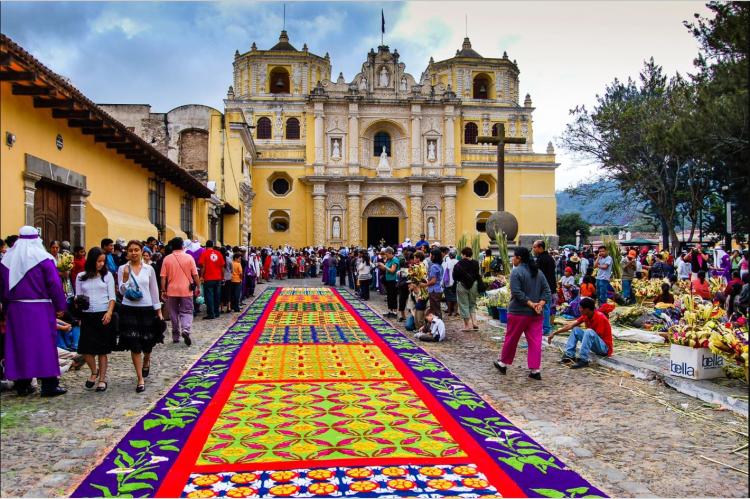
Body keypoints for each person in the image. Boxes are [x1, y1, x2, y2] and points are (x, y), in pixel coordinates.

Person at [0, 226, 68, 397]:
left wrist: (6, 309)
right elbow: (54, 284)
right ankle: (49, 385)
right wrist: (60, 306)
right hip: (39, 309)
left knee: (20, 347)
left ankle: (22, 384)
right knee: (43, 346)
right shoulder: (44, 258)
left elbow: (2, 288)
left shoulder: (7, 260)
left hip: (15, 309)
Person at [495, 247, 551, 380]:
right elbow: (547, 291)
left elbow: (517, 292)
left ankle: (503, 363)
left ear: (519, 258)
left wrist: (531, 304)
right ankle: (535, 370)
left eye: (513, 256)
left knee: (512, 338)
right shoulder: (538, 272)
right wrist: (540, 304)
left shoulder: (517, 272)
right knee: (535, 341)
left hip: (518, 312)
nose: (512, 259)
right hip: (536, 314)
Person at [117, 240, 164, 393]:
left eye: (136, 250)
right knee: (134, 343)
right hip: (129, 309)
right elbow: (122, 292)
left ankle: (147, 358)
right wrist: (124, 279)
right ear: (127, 252)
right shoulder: (122, 269)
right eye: (130, 250)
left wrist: (158, 311)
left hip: (146, 308)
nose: (133, 253)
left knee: (148, 341)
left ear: (141, 251)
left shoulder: (149, 269)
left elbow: (154, 290)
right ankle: (140, 379)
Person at [75, 247, 116, 392]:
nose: (101, 264)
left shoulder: (107, 276)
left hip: (102, 314)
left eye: (103, 261)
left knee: (102, 349)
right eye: (99, 261)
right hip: (87, 314)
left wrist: (109, 312)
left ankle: (102, 379)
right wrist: (78, 307)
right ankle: (94, 371)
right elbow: (78, 296)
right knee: (86, 348)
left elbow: (112, 297)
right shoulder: (81, 276)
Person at [548, 297, 613, 369]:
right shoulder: (586, 315)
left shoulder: (600, 317)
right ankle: (569, 355)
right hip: (596, 344)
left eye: (581, 308)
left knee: (589, 332)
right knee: (575, 329)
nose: (579, 309)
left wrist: (585, 341)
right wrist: (554, 333)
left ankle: (583, 360)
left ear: (587, 309)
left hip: (604, 349)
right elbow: (570, 325)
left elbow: (596, 336)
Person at [160, 237, 199, 345]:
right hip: (186, 290)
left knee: (173, 313)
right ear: (182, 245)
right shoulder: (189, 257)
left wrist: (163, 290)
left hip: (171, 290)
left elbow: (163, 277)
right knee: (186, 311)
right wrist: (198, 286)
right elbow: (195, 274)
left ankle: (175, 335)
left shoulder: (167, 259)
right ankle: (186, 329)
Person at [453, 246, 480, 331]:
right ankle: (475, 323)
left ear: (464, 254)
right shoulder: (476, 263)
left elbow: (455, 276)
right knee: (472, 304)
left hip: (462, 285)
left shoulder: (459, 264)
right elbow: (477, 274)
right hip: (474, 285)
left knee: (464, 305)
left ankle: (467, 326)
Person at [532, 240, 557, 335]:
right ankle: (544, 327)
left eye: (535, 247)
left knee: (545, 307)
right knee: (546, 307)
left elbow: (539, 275)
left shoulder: (542, 259)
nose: (533, 249)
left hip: (544, 287)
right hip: (550, 286)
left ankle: (546, 328)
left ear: (540, 247)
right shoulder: (549, 258)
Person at [198, 240, 225, 320]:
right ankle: (217, 312)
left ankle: (211, 313)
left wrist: (201, 276)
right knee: (217, 296)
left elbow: (203, 267)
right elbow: (222, 267)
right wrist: (222, 277)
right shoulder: (218, 253)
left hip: (208, 278)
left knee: (209, 296)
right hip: (218, 278)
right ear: (213, 246)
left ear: (206, 246)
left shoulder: (204, 253)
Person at [377, 247, 400, 318]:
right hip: (388, 280)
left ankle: (395, 312)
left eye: (387, 255)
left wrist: (384, 266)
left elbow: (392, 270)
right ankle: (390, 311)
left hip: (393, 280)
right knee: (389, 296)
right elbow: (385, 268)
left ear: (390, 253)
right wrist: (380, 266)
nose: (386, 256)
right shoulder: (389, 260)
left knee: (393, 296)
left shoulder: (395, 260)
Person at [423, 248, 444, 319]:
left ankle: (438, 326)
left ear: (434, 256)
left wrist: (424, 285)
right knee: (437, 309)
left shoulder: (434, 267)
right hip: (438, 289)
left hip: (434, 290)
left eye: (431, 255)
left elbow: (433, 281)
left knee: (435, 310)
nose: (430, 257)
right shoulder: (440, 266)